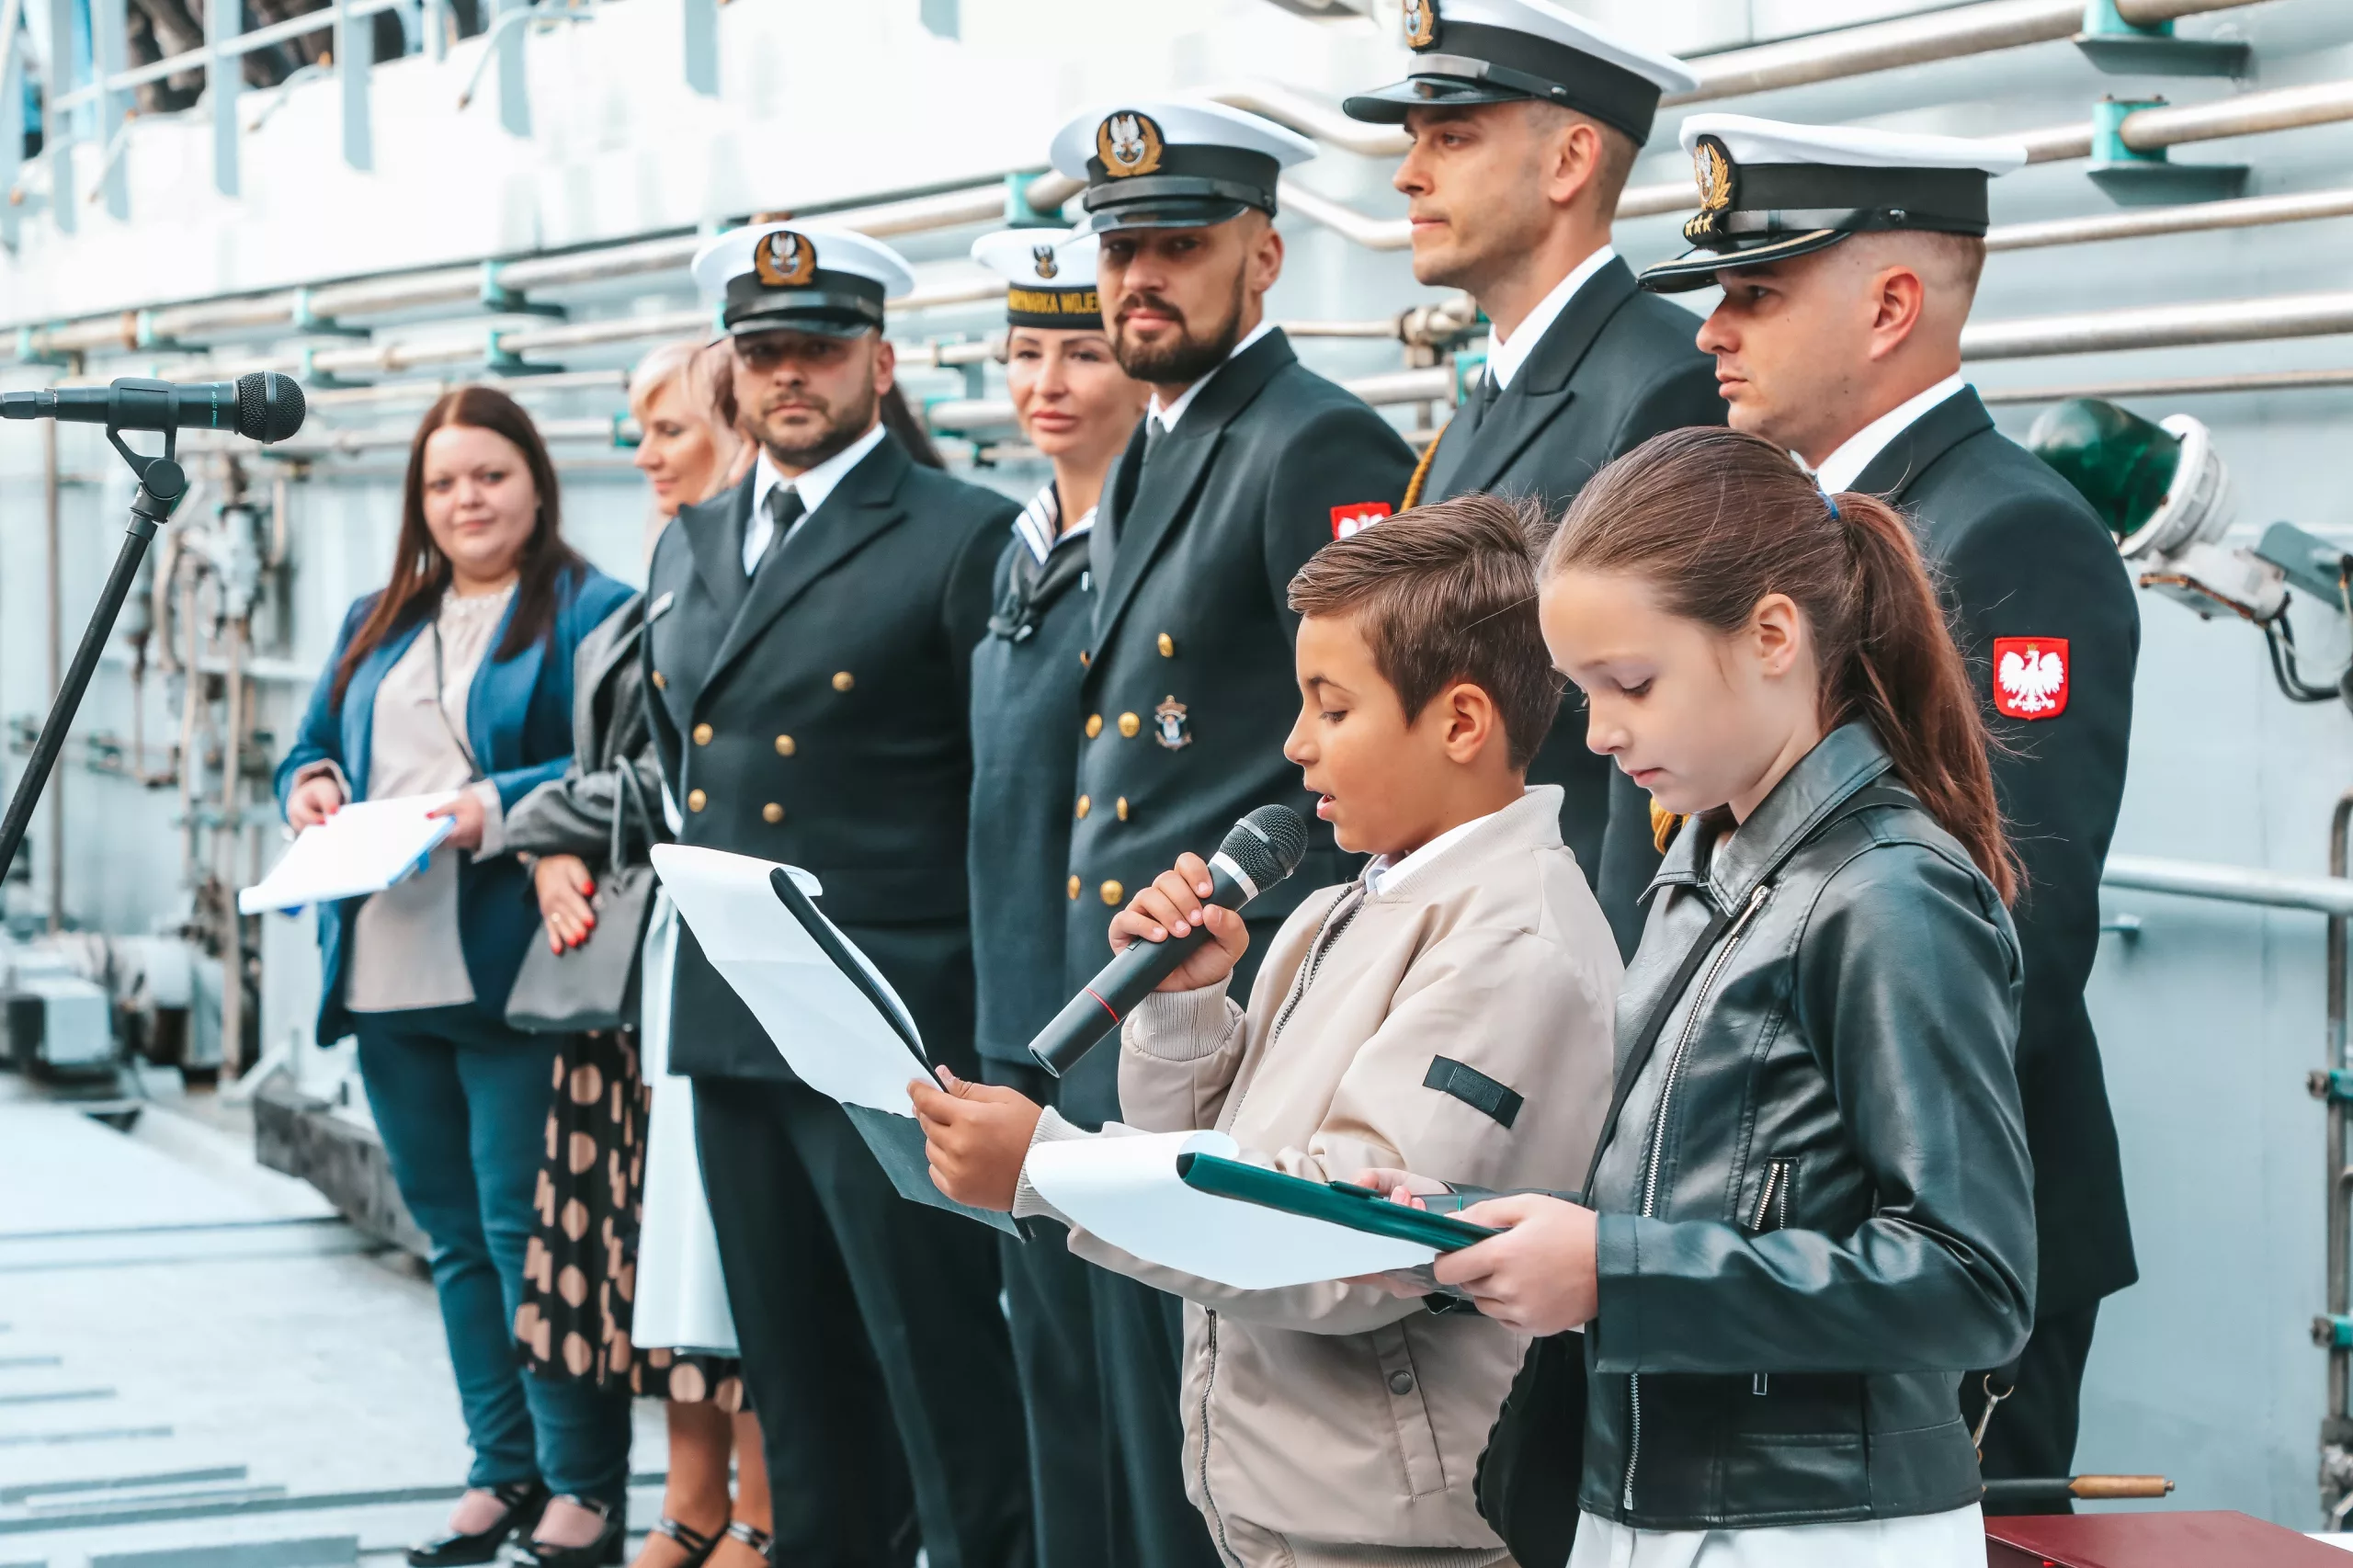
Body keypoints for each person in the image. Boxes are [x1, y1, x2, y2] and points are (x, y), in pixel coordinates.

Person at [914, 494, 1622, 1568]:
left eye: (1331, 709)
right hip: (1284, 1504)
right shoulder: (1343, 903)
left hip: (1393, 1533)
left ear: (1461, 722)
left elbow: (1339, 1239)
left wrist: (1047, 1170)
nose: (1295, 746)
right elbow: (1226, 1152)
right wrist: (1186, 1004)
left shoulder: (1511, 944)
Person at [1374, 426, 2037, 1565]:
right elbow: (1700, 1192)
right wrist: (1483, 1218)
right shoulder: (1708, 867)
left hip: (1817, 1528)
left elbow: (1972, 1281)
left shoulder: (1887, 893)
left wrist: (1610, 1271)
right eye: (1582, 690)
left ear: (1773, 634)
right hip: (1651, 1505)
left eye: (1631, 682)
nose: (1599, 730)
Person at [1636, 114, 2140, 1504]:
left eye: (1754, 293)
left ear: (1892, 306)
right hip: (1781, 1232)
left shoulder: (2009, 533)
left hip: (1920, 1231)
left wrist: (1799, 1200)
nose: (1710, 335)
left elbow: (2013, 912)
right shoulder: (1785, 540)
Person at [1042, 97, 1420, 1567]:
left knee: (1219, 1435)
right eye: (1120, 244)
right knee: (1143, 1425)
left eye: (1178, 243)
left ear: (1263, 257)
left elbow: (1366, 751)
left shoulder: (1314, 439)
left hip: (1237, 1015)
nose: (1140, 275)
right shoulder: (1152, 448)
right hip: (1144, 1007)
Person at [646, 221, 1029, 1568]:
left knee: (936, 1367)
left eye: (817, 348)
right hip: (734, 1010)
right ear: (733, 373)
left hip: (887, 1019)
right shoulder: (690, 543)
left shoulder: (964, 532)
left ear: (880, 358)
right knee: (793, 1379)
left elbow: (1001, 796)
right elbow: (675, 758)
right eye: (764, 353)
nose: (790, 375)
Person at [275, 386, 637, 1568]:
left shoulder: (593, 611)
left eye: (488, 474)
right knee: (450, 1236)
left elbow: (609, 764)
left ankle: (583, 1482)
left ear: (536, 481)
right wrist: (312, 783)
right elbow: (311, 738)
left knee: (529, 1231)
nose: (465, 499)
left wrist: (488, 807)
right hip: (384, 968)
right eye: (442, 482)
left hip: (514, 969)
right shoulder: (377, 617)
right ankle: (500, 1467)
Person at [1340, 0, 1721, 954]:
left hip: (1560, 950)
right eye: (1414, 139)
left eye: (1453, 136)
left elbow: (1661, 734)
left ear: (1569, 160)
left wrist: (1626, 992)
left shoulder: (1663, 382)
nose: (1407, 173)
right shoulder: (1485, 402)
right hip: (1461, 932)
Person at [506, 340, 774, 1568]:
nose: (645, 452)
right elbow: (614, 768)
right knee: (666, 1255)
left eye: (668, 428)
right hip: (641, 962)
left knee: (740, 1246)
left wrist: (529, 820)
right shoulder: (669, 569)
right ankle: (692, 1500)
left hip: (731, 947)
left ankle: (758, 1512)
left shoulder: (750, 575)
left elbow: (669, 773)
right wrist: (553, 846)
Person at [961, 226, 1150, 1568]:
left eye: (1083, 347)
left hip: (1112, 1021)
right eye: (1027, 350)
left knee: (1128, 1393)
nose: (1050, 379)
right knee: (1051, 1378)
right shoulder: (1022, 545)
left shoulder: (1144, 544)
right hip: (1018, 1002)